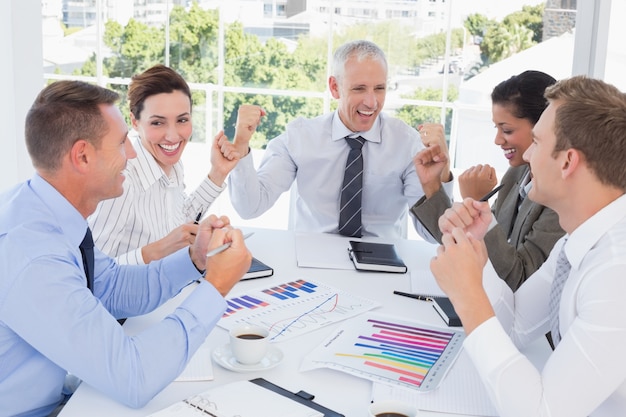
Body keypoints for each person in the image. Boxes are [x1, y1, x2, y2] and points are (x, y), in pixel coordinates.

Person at [0, 80, 251, 416]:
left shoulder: (44, 207)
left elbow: (111, 286)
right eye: (121, 143)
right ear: (83, 156)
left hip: (65, 392)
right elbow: (134, 377)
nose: (132, 153)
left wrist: (195, 259)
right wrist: (216, 287)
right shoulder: (36, 259)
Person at [430, 76, 626, 416]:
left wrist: (467, 294)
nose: (528, 154)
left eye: (536, 142)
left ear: (567, 162)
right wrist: (476, 244)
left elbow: (540, 412)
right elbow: (517, 325)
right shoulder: (578, 240)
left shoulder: (616, 271)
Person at [219, 40, 453, 240]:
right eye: (359, 89)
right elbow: (250, 207)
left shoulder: (407, 144)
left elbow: (436, 235)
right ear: (334, 87)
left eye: (379, 88)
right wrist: (240, 145)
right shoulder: (300, 137)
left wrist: (442, 177)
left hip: (383, 264)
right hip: (310, 257)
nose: (371, 102)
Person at [412, 70, 564, 291]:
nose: (497, 140)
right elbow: (459, 240)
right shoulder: (516, 174)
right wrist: (432, 185)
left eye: (507, 129)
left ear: (543, 126)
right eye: (497, 128)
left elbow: (519, 280)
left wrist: (476, 203)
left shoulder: (561, 195)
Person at [89, 64, 238, 265]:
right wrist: (157, 251)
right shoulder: (122, 182)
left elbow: (177, 218)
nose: (172, 136)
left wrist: (218, 173)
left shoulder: (172, 164)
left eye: (182, 120)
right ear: (135, 122)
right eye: (158, 123)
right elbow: (92, 272)